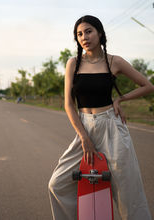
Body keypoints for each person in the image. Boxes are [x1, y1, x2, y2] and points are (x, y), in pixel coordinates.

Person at [48, 15, 153, 220]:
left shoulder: (115, 61)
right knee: (57, 183)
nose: (84, 37)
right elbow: (69, 104)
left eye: (89, 31)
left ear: (100, 33)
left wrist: (119, 100)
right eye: (79, 34)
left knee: (127, 192)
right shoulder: (73, 64)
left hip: (112, 127)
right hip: (84, 128)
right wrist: (84, 137)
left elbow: (148, 86)